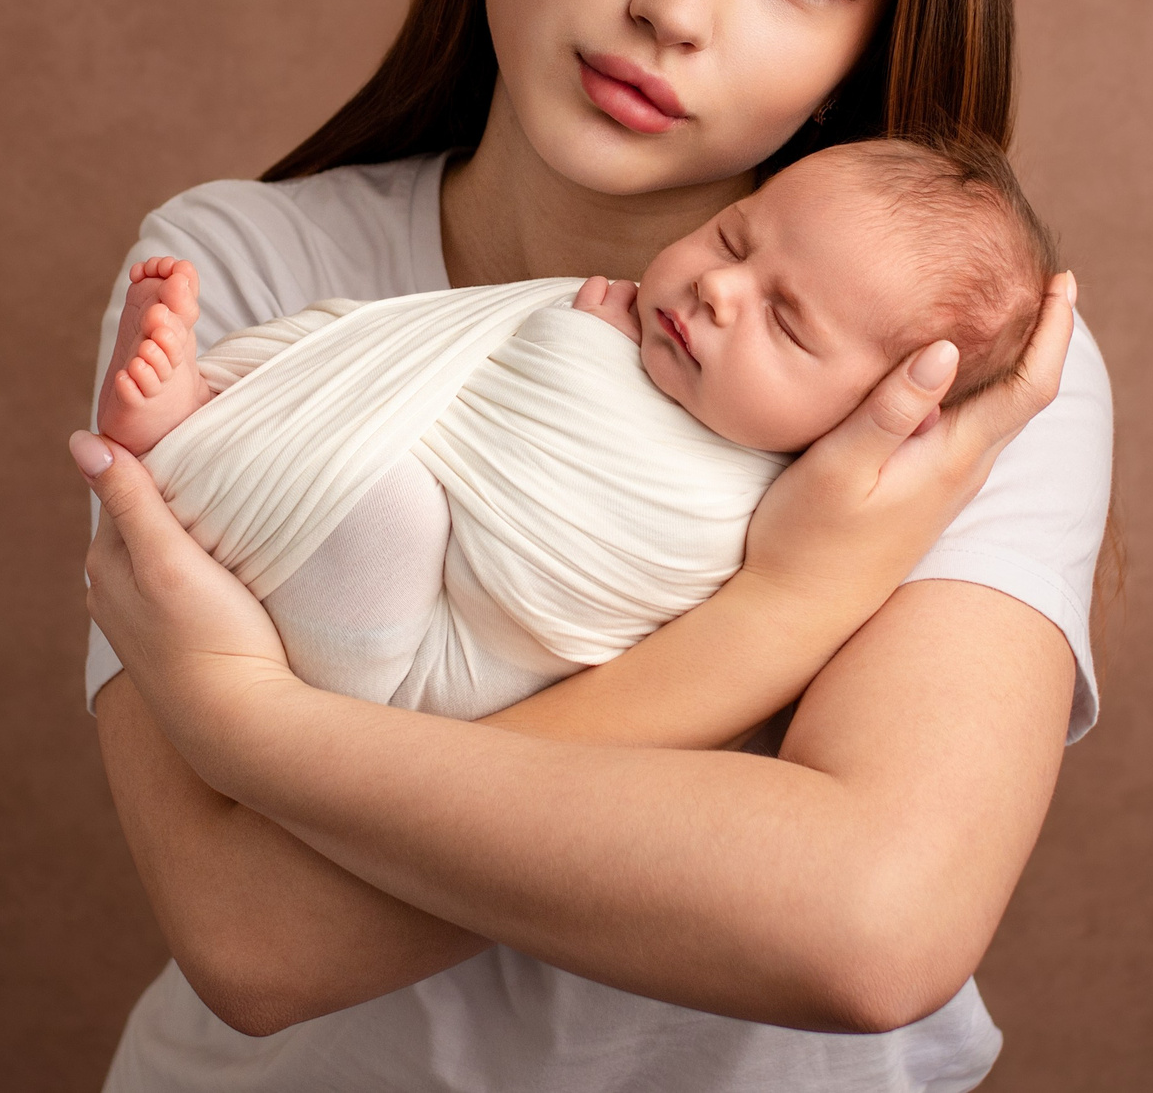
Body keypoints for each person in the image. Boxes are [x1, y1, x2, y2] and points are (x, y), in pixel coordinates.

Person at [71, 0, 1113, 1092]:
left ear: (859, 51)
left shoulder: (950, 381)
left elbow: (872, 924)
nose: (671, 5)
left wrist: (245, 722)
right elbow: (252, 939)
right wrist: (786, 611)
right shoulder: (244, 261)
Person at [92, 137, 1056, 722]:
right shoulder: (241, 234)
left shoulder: (776, 504)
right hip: (377, 598)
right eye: (733, 236)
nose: (719, 290)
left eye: (787, 321)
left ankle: (192, 453)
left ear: (880, 407)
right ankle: (204, 415)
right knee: (356, 360)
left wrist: (573, 356)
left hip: (431, 670)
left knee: (381, 500)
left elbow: (614, 539)